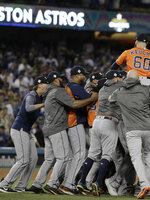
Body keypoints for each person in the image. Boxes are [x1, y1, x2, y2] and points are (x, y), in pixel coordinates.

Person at [29, 71, 97, 195]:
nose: (62, 80)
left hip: (47, 129)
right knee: (64, 157)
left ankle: (37, 183)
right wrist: (91, 99)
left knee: (49, 159)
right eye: (60, 78)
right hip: (57, 128)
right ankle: (52, 183)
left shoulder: (48, 92)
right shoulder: (58, 91)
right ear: (55, 80)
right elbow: (74, 104)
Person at [109, 70, 150, 199]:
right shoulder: (146, 88)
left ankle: (144, 184)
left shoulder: (120, 91)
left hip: (132, 130)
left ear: (126, 79)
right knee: (148, 154)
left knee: (136, 158)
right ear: (138, 79)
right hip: (148, 129)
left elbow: (110, 100)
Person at [77, 70, 123, 196]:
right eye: (118, 77)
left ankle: (82, 182)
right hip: (109, 122)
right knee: (106, 156)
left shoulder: (101, 88)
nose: (120, 79)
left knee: (92, 154)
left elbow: (91, 84)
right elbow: (128, 84)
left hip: (96, 122)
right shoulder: (117, 86)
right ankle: (97, 183)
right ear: (114, 79)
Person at [0, 76, 47, 193]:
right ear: (40, 85)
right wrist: (43, 105)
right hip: (19, 129)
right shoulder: (31, 95)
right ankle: (4, 184)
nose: (48, 86)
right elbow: (28, 107)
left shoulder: (41, 97)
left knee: (33, 158)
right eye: (46, 83)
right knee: (23, 160)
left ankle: (20, 186)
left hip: (26, 130)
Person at [59, 66, 93, 195]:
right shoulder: (74, 86)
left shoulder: (71, 87)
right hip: (75, 122)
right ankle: (68, 184)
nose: (84, 77)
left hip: (72, 122)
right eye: (83, 75)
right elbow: (91, 97)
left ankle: (67, 182)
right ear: (77, 75)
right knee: (80, 154)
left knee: (76, 154)